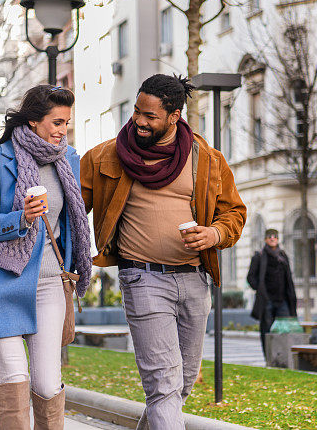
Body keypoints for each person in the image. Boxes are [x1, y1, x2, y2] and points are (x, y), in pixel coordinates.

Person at [81, 74, 246, 430]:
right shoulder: (106, 156)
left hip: (195, 281)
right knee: (163, 384)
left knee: (180, 383)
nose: (139, 120)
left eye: (150, 116)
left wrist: (214, 234)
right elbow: (72, 212)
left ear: (174, 117)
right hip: (142, 278)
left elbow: (234, 212)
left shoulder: (207, 159)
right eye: (137, 111)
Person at [0, 85, 92, 430]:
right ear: (34, 121)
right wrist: (21, 218)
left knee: (48, 384)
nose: (62, 129)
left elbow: (73, 221)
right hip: (3, 282)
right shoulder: (0, 158)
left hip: (51, 284)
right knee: (16, 378)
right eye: (56, 121)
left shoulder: (69, 160)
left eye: (66, 122)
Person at [246, 229, 298, 357]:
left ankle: (283, 356)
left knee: (285, 329)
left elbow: (288, 278)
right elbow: (250, 277)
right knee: (267, 331)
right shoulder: (259, 255)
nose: (272, 239)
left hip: (282, 300)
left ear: (278, 239)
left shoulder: (283, 256)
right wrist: (260, 289)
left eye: (275, 236)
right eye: (269, 237)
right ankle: (269, 357)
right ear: (265, 239)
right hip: (267, 300)